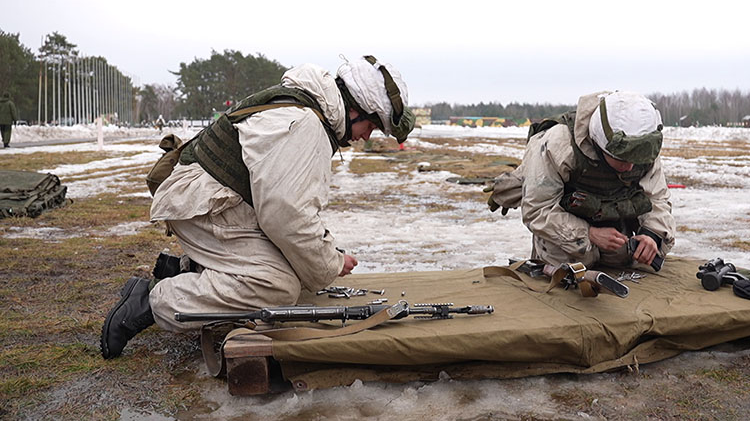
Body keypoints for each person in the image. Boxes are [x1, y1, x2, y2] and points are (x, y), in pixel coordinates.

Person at [101, 55, 416, 359]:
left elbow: (286, 208)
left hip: (212, 201)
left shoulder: (306, 108)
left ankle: (191, 271)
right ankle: (152, 301)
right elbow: (286, 217)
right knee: (276, 287)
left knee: (292, 262)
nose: (366, 136)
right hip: (201, 205)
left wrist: (323, 253)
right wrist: (330, 264)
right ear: (355, 110)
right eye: (371, 126)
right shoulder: (305, 123)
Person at [487, 91, 675, 273]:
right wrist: (589, 234)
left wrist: (652, 235)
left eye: (636, 159)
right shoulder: (558, 144)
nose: (630, 167)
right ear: (601, 144)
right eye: (622, 159)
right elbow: (538, 209)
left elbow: (657, 198)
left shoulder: (643, 146)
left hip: (617, 238)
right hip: (564, 244)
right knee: (562, 279)